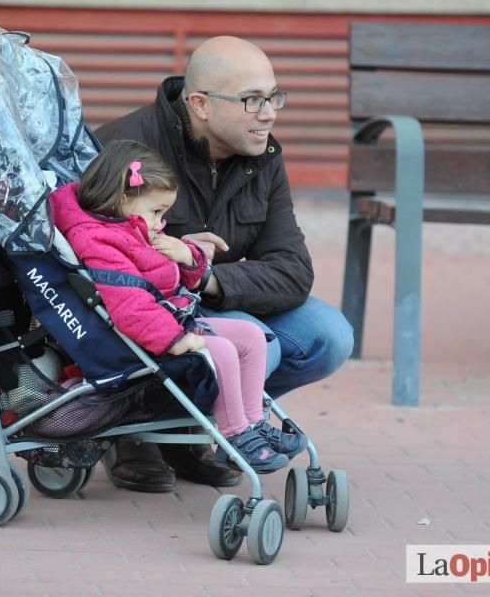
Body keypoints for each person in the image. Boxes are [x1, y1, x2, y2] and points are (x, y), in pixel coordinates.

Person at [94, 35, 355, 492]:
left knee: (330, 336)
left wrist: (210, 276)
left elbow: (293, 269)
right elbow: (92, 260)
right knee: (257, 343)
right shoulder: (124, 149)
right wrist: (174, 258)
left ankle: (186, 430)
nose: (269, 114)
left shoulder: (264, 155)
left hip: (217, 298)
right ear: (200, 104)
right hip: (150, 313)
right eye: (253, 100)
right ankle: (134, 431)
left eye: (274, 96)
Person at [50, 140, 307, 476]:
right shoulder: (98, 239)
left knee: (251, 336)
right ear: (123, 199)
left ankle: (253, 421)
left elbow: (168, 279)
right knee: (225, 351)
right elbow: (128, 302)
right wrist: (173, 339)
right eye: (157, 212)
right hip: (145, 339)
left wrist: (188, 256)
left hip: (174, 318)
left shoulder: (134, 228)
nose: (161, 222)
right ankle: (235, 435)